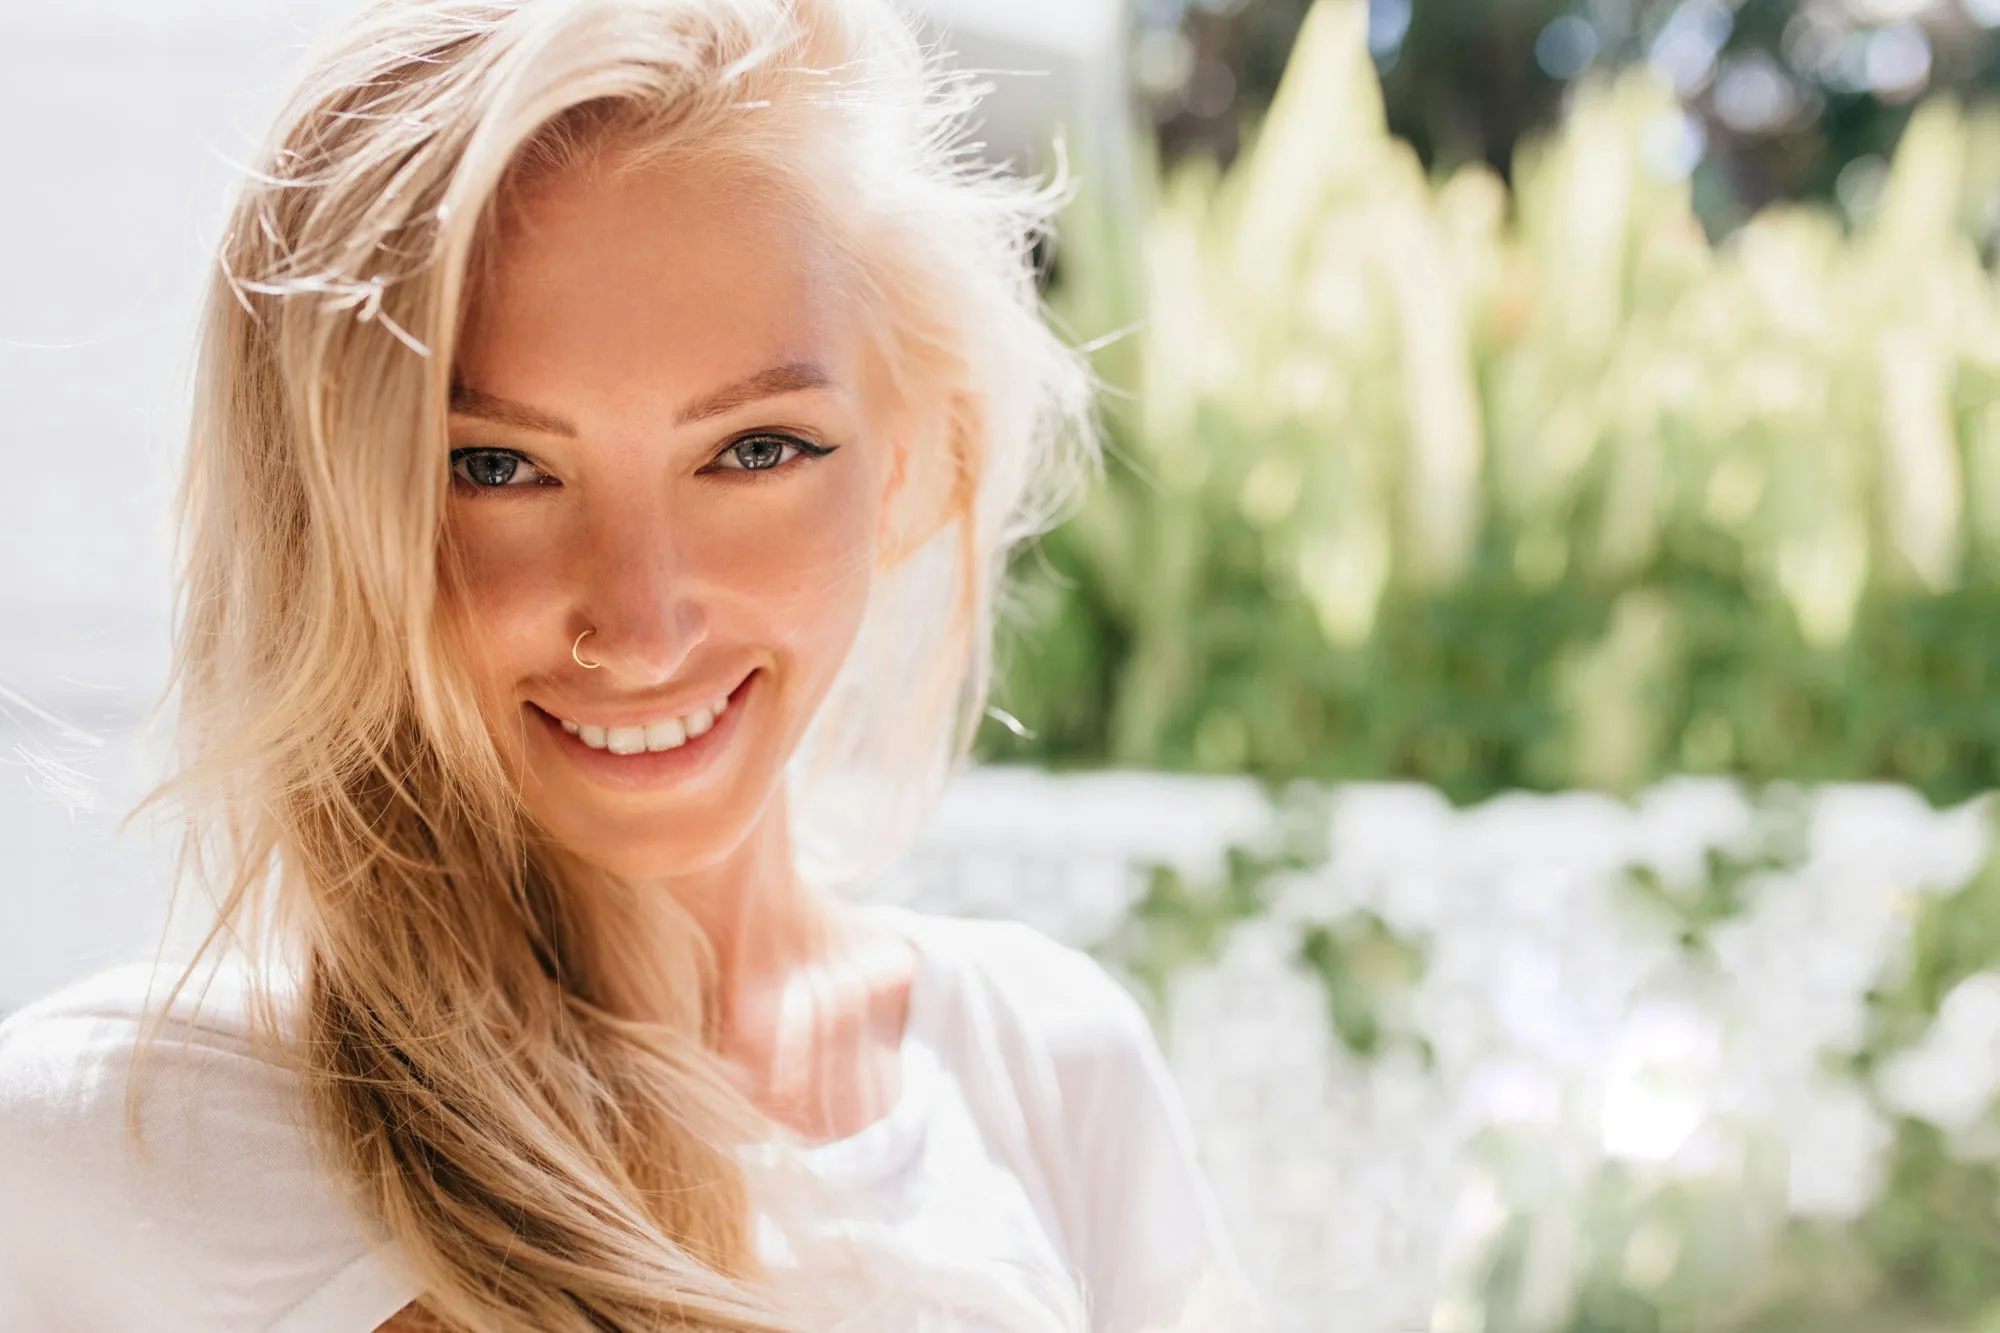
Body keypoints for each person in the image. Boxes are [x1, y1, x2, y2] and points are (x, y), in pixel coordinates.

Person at [0, 1, 1258, 1330]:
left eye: (757, 450)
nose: (643, 624)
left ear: (903, 467)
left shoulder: (1047, 1074)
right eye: (496, 468)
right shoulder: (127, 1149)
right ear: (331, 516)